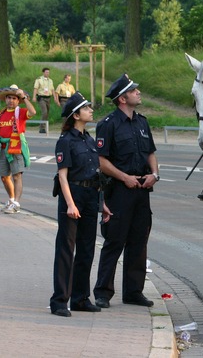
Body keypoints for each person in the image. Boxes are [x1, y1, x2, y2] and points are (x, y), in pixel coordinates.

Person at [93, 74, 159, 309]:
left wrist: (154, 174)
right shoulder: (108, 124)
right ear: (122, 98)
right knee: (114, 241)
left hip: (142, 189)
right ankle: (103, 292)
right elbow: (101, 160)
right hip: (120, 190)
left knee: (139, 242)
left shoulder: (142, 122)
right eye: (134, 91)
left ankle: (133, 291)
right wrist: (124, 178)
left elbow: (150, 151)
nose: (138, 93)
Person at [50, 92, 112, 317]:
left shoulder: (89, 139)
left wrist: (101, 203)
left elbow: (96, 174)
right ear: (76, 115)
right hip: (73, 195)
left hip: (90, 195)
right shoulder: (65, 141)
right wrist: (69, 204)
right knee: (66, 249)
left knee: (86, 249)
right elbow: (63, 176)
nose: (91, 110)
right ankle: (59, 301)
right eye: (86, 108)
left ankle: (80, 298)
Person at [0, 85, 37, 213]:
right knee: (4, 177)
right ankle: (11, 200)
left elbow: (33, 112)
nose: (11, 100)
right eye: (9, 98)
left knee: (17, 176)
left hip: (16, 148)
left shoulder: (20, 112)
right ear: (5, 99)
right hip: (4, 148)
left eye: (14, 98)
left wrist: (25, 98)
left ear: (18, 101)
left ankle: (16, 204)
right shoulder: (1, 114)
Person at [32, 67, 56, 134]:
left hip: (48, 97)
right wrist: (34, 97)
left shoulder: (50, 80)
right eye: (46, 72)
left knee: (47, 113)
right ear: (43, 72)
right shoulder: (39, 79)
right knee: (44, 112)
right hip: (41, 98)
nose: (47, 73)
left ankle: (44, 126)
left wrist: (55, 97)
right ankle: (41, 127)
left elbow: (52, 89)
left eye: (48, 72)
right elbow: (35, 88)